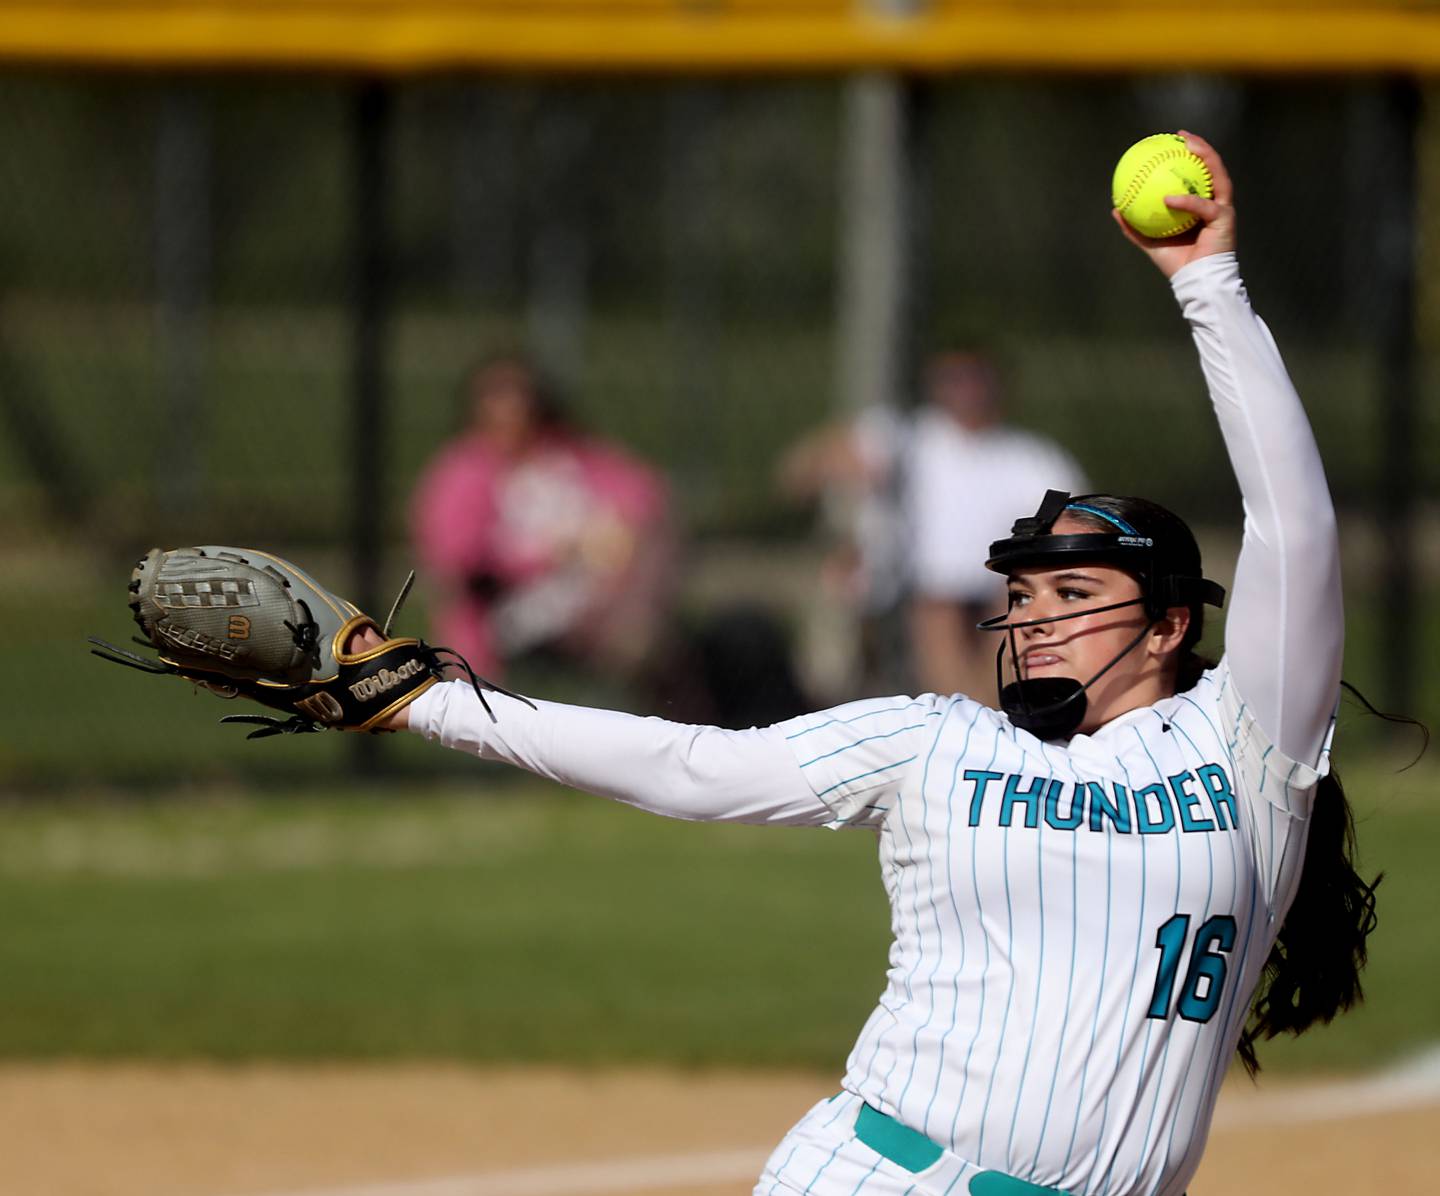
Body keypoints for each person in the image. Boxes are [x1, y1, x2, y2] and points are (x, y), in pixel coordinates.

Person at [358, 134, 1377, 1194]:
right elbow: (690, 764)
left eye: (1074, 595)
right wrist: (426, 700)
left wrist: (1208, 281)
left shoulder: (1247, 745)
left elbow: (1294, 522)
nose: (1034, 619)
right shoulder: (937, 738)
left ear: (1169, 625)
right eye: (1024, 596)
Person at [409, 355, 675, 683]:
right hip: (512, 610)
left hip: (601, 591)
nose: (511, 412)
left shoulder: (570, 454)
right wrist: (550, 555)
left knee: (656, 544)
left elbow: (644, 497)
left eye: (520, 399)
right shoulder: (464, 472)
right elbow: (460, 560)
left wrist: (615, 538)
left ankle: (641, 644)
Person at [902, 351, 1087, 704]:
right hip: (925, 585)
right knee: (939, 613)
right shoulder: (909, 438)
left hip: (1001, 580)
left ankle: (978, 710)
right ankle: (969, 709)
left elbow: (1070, 515)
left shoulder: (1031, 455)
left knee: (1012, 601)